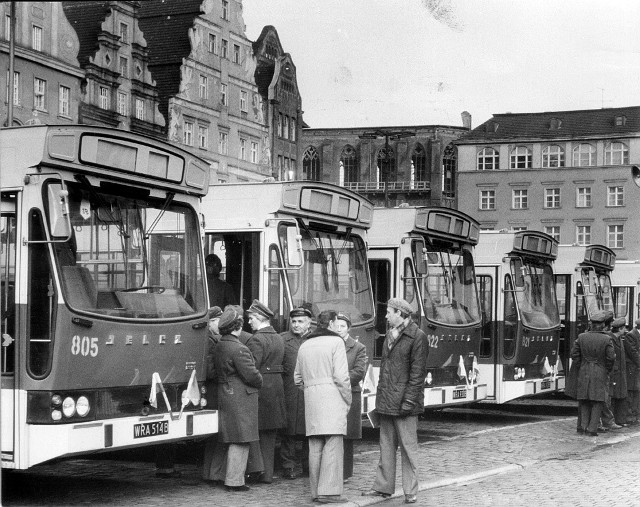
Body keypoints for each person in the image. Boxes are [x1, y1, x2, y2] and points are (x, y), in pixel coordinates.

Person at [362, 298, 426, 505]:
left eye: (389, 312)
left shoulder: (417, 337)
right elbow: (386, 372)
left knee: (408, 449)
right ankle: (383, 487)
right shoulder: (390, 335)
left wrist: (408, 402)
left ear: (400, 313)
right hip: (388, 400)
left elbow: (417, 375)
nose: (386, 316)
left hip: (405, 404)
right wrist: (380, 398)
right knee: (386, 446)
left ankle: (410, 491)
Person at [295, 310, 351, 504]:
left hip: (312, 398)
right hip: (333, 396)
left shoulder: (305, 344)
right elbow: (341, 377)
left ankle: (316, 492)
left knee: (315, 445)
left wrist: (311, 389)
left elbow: (297, 378)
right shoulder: (337, 343)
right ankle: (330, 492)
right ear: (332, 323)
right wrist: (347, 399)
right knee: (333, 444)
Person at [210, 307, 263, 491]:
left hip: (225, 392)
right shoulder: (239, 348)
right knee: (241, 438)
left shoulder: (220, 344)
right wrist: (260, 380)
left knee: (229, 436)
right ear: (237, 327)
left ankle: (221, 476)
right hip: (241, 396)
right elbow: (252, 376)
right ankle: (234, 481)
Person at [246, 299, 287, 484]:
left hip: (262, 388)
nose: (249, 322)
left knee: (256, 432)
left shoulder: (256, 339)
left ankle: (257, 471)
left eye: (251, 319)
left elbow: (252, 367)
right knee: (269, 435)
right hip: (276, 387)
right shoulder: (279, 337)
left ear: (259, 318)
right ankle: (267, 475)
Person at [280, 307, 313, 480]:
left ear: (309, 322)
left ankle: (309, 465)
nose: (296, 325)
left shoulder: (316, 339)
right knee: (289, 431)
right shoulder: (283, 340)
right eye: (293, 321)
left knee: (310, 430)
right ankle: (289, 466)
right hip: (290, 390)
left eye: (300, 321)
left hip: (310, 391)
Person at [333, 312, 367, 481]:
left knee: (347, 436)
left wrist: (339, 381)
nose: (339, 329)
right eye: (336, 326)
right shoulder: (329, 345)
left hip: (349, 395)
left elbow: (359, 372)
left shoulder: (358, 348)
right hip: (331, 395)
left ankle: (345, 473)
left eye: (342, 326)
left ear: (349, 328)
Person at [571, 310, 616, 437]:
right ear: (602, 325)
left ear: (591, 324)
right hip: (600, 371)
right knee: (597, 401)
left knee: (584, 399)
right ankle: (592, 429)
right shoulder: (607, 339)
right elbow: (611, 358)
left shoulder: (581, 337)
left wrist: (582, 365)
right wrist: (606, 369)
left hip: (584, 370)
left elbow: (574, 354)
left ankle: (583, 427)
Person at [609, 317, 628, 426]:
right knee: (613, 397)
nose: (625, 330)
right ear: (620, 329)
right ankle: (613, 421)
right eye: (624, 328)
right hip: (615, 372)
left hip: (621, 373)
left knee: (621, 396)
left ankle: (620, 420)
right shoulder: (610, 339)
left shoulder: (619, 339)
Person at [624, 318, 640, 425]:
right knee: (632, 392)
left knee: (637, 393)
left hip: (636, 369)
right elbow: (633, 353)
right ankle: (630, 416)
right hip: (633, 369)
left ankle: (635, 415)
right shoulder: (631, 335)